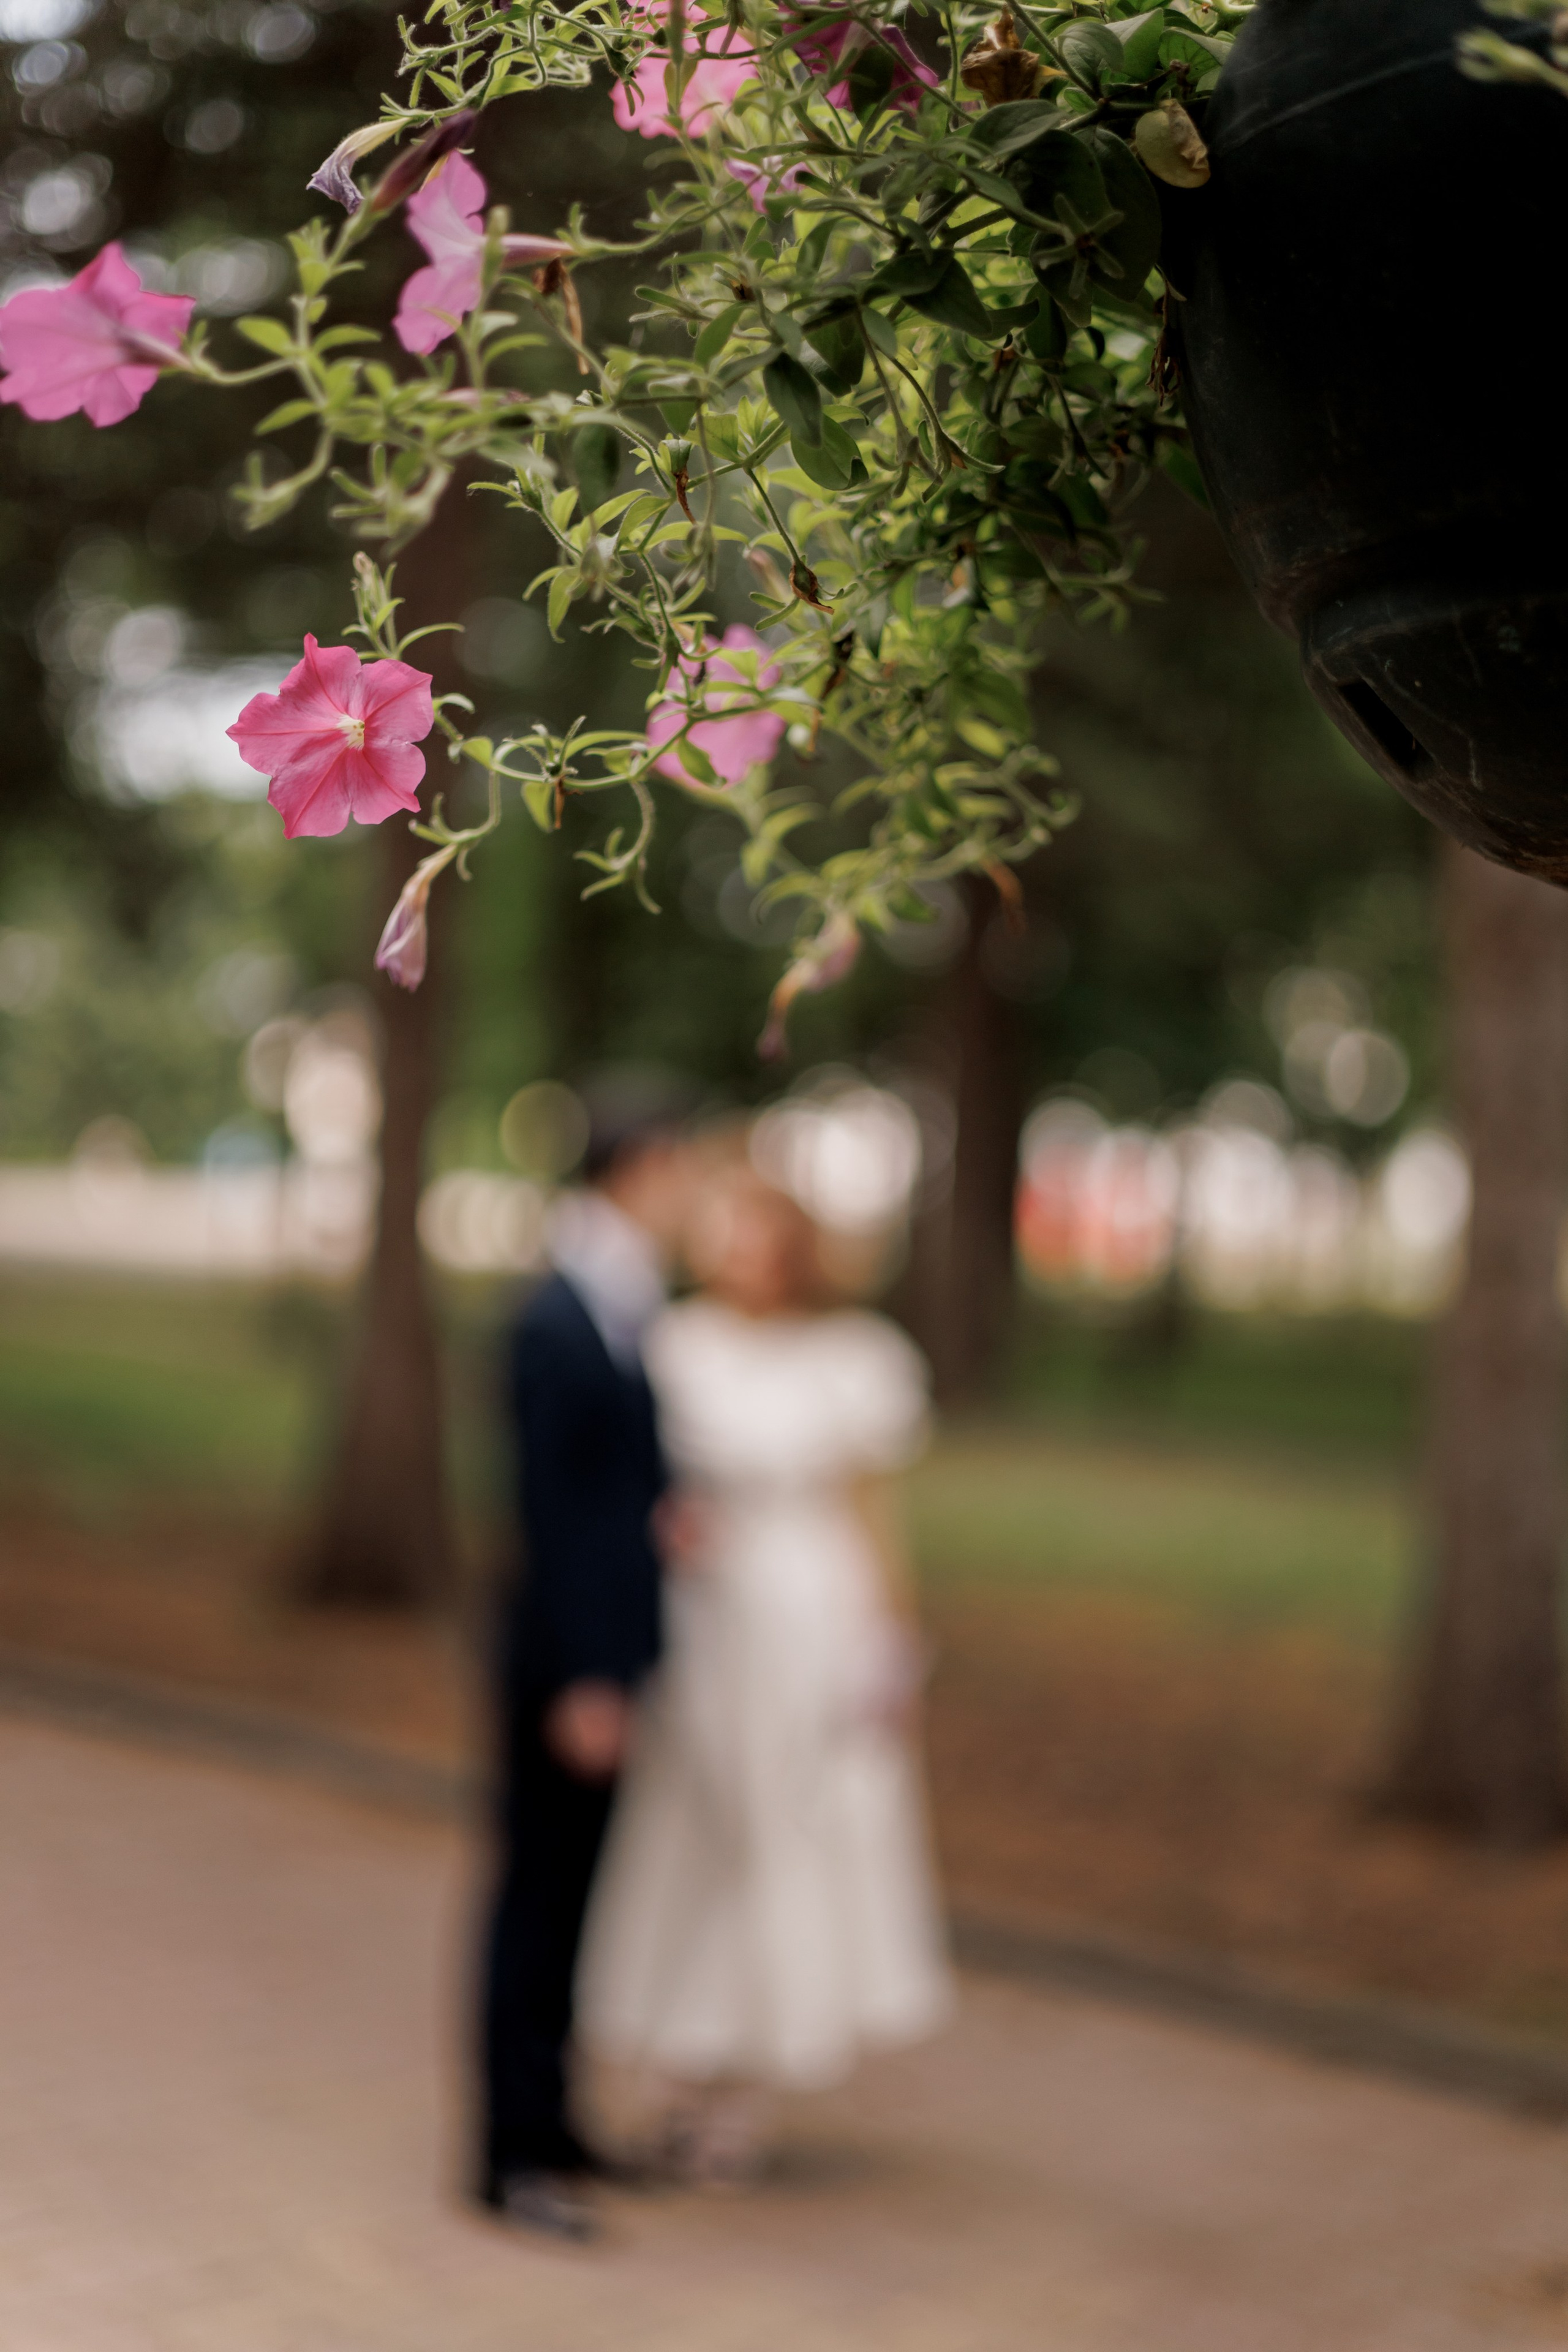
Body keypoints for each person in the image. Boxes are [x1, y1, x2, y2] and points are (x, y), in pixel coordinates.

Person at [576, 1170, 953, 2184]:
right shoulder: (674, 1344)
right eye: (728, 1232)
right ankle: (681, 2055)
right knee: (699, 1823)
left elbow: (873, 1511)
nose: (743, 1252)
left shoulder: (853, 1360)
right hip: (703, 1615)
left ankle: (743, 2074)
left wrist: (892, 1642)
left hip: (807, 1610)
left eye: (762, 1234)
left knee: (782, 1828)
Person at [477, 1077, 695, 2242]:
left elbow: (614, 1484)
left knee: (575, 1903)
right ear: (642, 1167)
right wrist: (590, 1677)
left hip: (605, 1651)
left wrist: (668, 1512)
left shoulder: (616, 1297)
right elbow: (550, 1515)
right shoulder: (557, 1315)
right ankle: (509, 2152)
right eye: (685, 1167)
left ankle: (551, 2119)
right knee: (536, 1900)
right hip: (567, 1663)